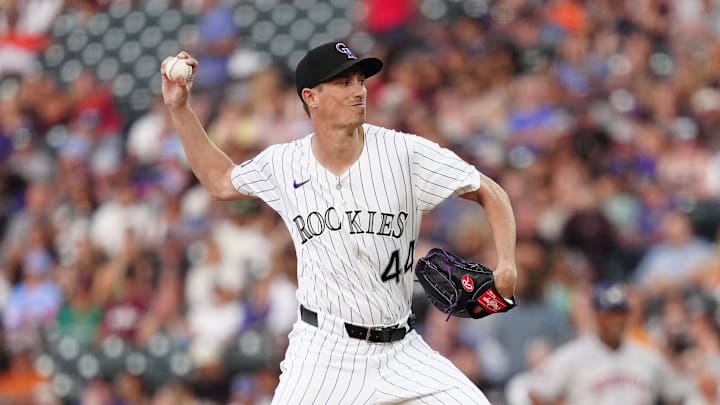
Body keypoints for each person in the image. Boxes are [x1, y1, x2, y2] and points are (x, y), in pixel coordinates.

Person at [160, 41, 518, 404]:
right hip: (323, 353)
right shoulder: (285, 163)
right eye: (344, 83)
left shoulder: (404, 153)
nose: (359, 91)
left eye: (360, 81)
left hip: (401, 350)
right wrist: (180, 109)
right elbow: (220, 180)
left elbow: (489, 191)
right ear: (311, 96)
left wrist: (507, 263)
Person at [527, 282, 686, 405]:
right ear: (597, 316)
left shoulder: (647, 355)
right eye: (609, 315)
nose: (616, 321)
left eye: (620, 313)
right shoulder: (574, 355)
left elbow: (677, 394)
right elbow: (537, 393)